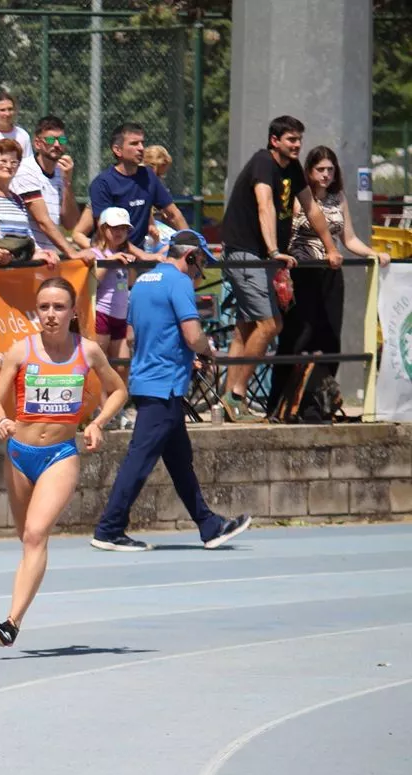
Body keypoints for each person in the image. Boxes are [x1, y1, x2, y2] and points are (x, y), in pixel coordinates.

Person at [0, 276, 128, 646]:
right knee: (26, 538)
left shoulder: (88, 351)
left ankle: (11, 623)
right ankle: (16, 614)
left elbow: (118, 390)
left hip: (60, 456)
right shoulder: (21, 351)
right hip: (19, 454)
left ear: (72, 312)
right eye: (44, 307)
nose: (50, 315)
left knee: (35, 534)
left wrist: (96, 422)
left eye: (58, 307)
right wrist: (1, 421)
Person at [91, 230, 251, 552]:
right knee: (139, 460)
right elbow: (193, 335)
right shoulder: (179, 283)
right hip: (164, 385)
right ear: (189, 256)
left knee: (180, 462)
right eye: (200, 263)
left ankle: (210, 525)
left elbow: (136, 334)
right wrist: (206, 352)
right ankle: (109, 529)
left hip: (150, 379)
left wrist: (182, 356)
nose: (200, 272)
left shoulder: (143, 283)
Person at [218, 115, 343, 421]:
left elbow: (311, 207)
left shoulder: (293, 170)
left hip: (260, 256)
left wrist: (330, 247)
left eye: (299, 139)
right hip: (246, 253)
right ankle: (237, 395)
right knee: (270, 325)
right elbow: (265, 205)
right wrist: (275, 251)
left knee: (245, 329)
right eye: (291, 139)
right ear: (275, 141)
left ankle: (226, 398)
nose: (297, 144)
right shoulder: (263, 163)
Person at [272, 144, 389, 414]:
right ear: (310, 172)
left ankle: (318, 401)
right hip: (302, 273)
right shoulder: (299, 198)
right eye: (320, 170)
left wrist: (374, 253)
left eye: (330, 170)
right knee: (299, 337)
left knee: (329, 337)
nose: (326, 175)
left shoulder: (339, 198)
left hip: (331, 274)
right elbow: (284, 234)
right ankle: (282, 401)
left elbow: (348, 239)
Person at [72, 123, 187, 253]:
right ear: (117, 150)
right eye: (134, 144)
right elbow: (108, 235)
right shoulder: (102, 183)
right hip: (114, 261)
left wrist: (191, 244)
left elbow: (174, 215)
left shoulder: (148, 176)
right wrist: (142, 256)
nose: (141, 148)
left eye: (142, 143)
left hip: (138, 257)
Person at [11, 115, 83, 258]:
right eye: (50, 140)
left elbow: (70, 223)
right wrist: (72, 253)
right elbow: (43, 221)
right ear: (37, 143)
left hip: (49, 256)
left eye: (61, 140)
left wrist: (68, 183)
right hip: (28, 256)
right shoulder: (25, 170)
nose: (57, 144)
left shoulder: (61, 172)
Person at [0, 139, 59, 265]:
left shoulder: (18, 200)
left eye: (14, 162)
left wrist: (40, 252)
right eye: (3, 161)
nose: (9, 166)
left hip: (18, 268)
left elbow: (27, 235)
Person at [89, 206, 138, 364]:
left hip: (121, 315)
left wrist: (131, 266)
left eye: (124, 228)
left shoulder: (124, 254)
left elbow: (130, 283)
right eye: (114, 227)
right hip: (101, 313)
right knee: (99, 364)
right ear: (103, 228)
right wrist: (110, 261)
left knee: (123, 365)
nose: (119, 232)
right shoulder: (95, 253)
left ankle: (121, 390)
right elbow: (92, 283)